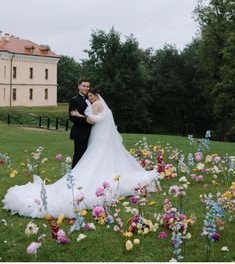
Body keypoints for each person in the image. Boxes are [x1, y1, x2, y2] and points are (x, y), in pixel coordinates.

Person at [2, 91, 159, 218]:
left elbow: (95, 120)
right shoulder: (100, 105)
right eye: (89, 96)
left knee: (96, 159)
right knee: (100, 159)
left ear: (97, 96)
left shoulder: (97, 105)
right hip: (100, 137)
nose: (90, 99)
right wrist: (82, 116)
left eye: (92, 96)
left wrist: (79, 116)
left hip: (100, 138)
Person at [69, 79, 92, 168]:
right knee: (79, 155)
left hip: (91, 132)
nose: (86, 88)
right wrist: (87, 120)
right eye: (84, 86)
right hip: (80, 132)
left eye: (88, 86)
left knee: (89, 156)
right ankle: (74, 177)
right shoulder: (74, 100)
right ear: (79, 86)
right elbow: (73, 117)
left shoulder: (90, 99)